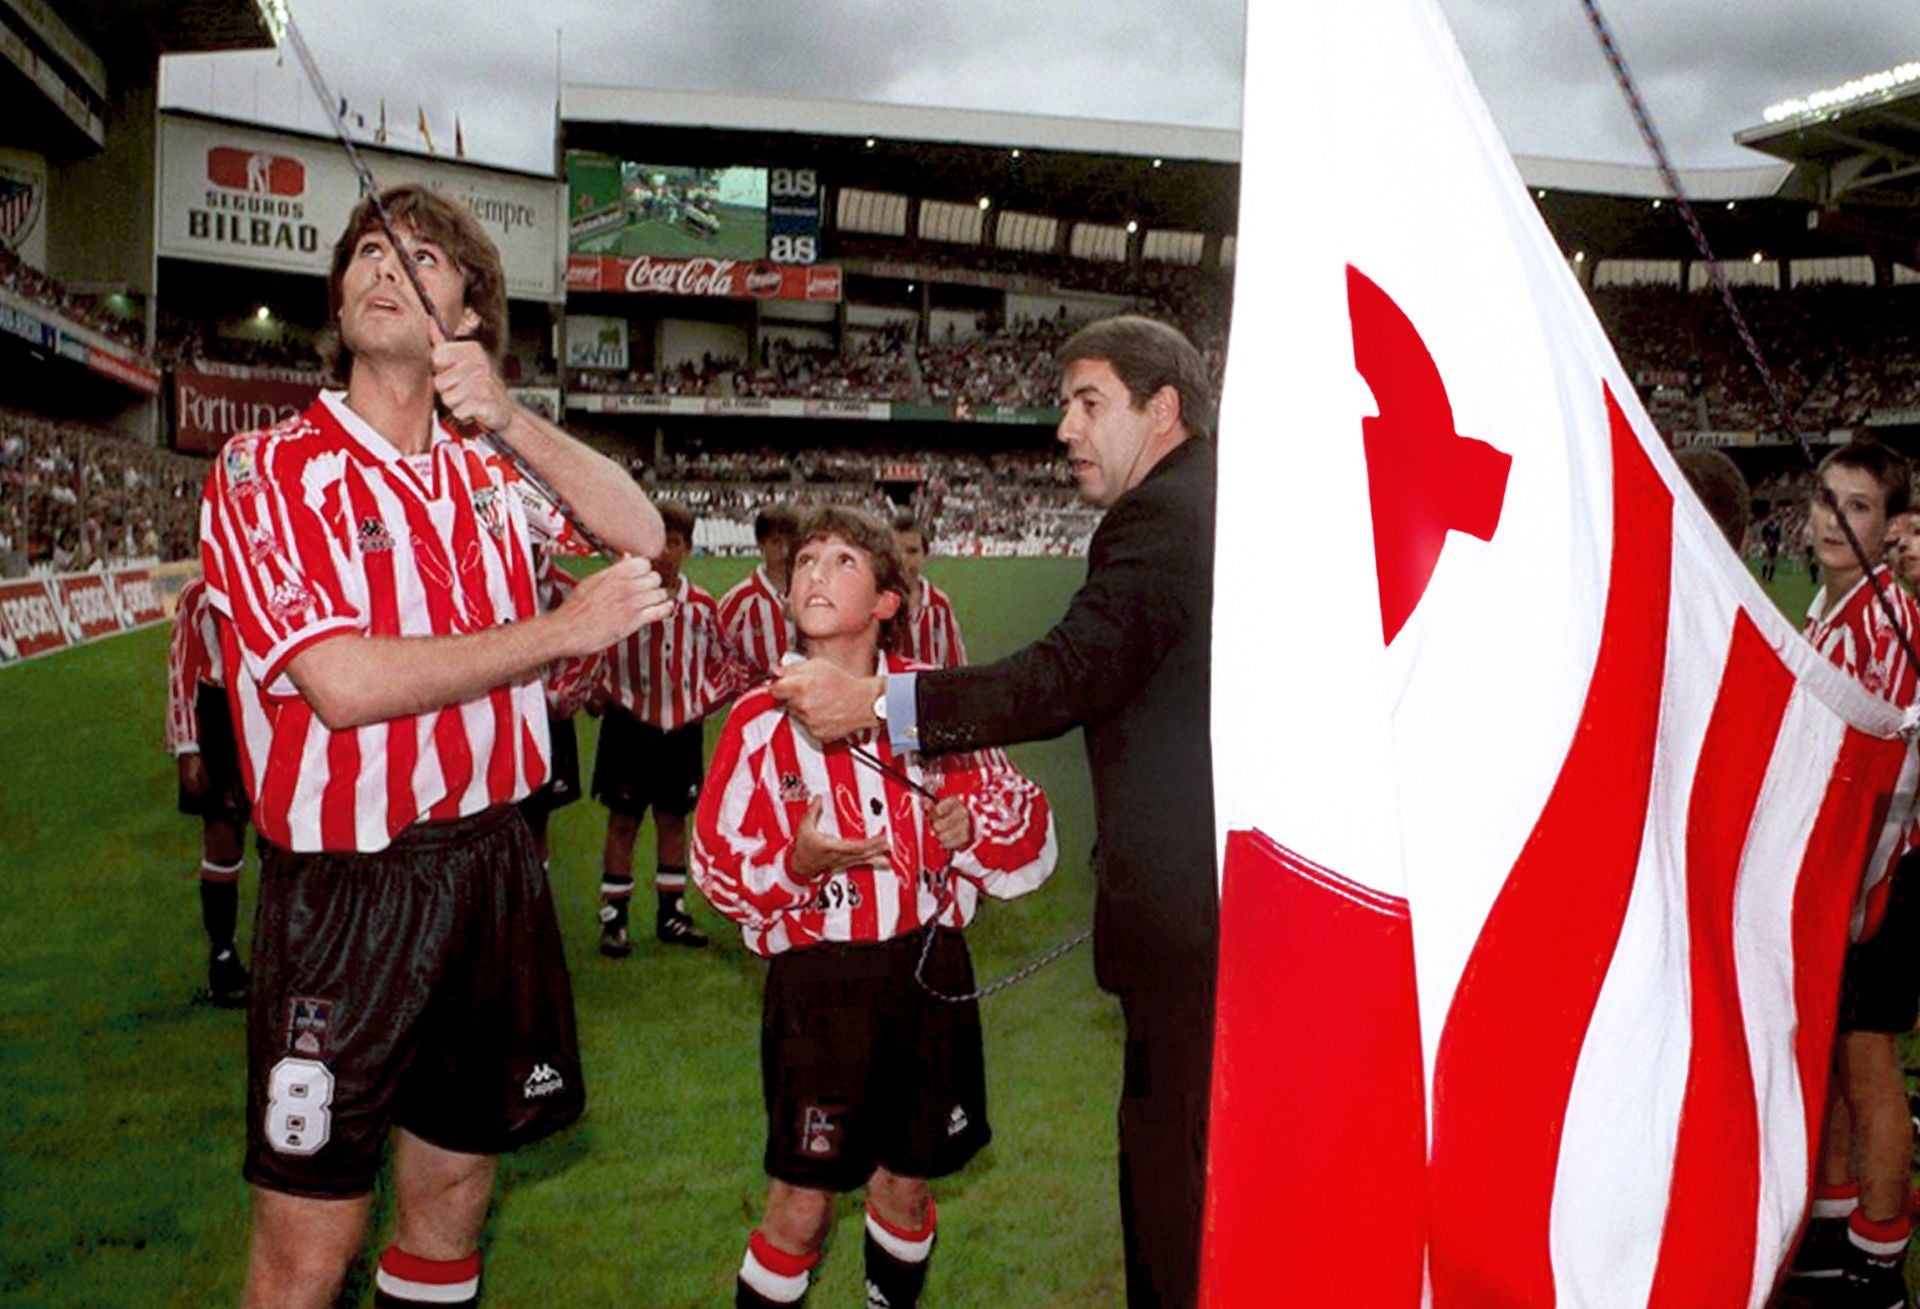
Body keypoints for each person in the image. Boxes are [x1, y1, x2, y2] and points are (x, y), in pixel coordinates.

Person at [198, 184, 671, 1309]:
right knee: (308, 1248)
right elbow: (343, 685)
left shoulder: (492, 470)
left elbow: (642, 532)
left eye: (419, 255)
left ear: (469, 308)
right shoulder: (270, 469)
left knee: (455, 1193)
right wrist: (559, 632)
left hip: (495, 871)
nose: (382, 266)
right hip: (348, 892)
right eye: (367, 249)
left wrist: (506, 415)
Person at [774, 315, 1218, 1308]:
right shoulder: (1222, 503)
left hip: (1196, 918)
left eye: (1088, 402)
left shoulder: (1162, 517)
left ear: (1163, 408)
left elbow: (1066, 677)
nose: (1063, 426)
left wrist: (883, 704)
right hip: (1236, 901)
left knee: (1173, 1174)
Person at [693, 506, 1056, 1309]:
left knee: (904, 1187)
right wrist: (797, 862)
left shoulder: (936, 705)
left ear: (888, 601)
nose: (815, 572)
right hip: (819, 987)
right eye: (806, 561)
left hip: (928, 973)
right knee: (799, 1204)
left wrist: (967, 832)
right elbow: (715, 869)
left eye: (843, 561)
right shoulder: (758, 722)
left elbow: (1030, 838)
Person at [1786, 441, 1920, 1308]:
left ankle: (1878, 1268)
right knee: (1833, 1061)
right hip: (1840, 876)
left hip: (1883, 878)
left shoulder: (1888, 621)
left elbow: (1891, 778)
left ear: (1893, 524)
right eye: (1828, 501)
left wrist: (1859, 897)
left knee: (1869, 1069)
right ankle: (1834, 1238)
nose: (1838, 520)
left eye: (1860, 506)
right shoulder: (1825, 613)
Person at [589, 498, 744, 955]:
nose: (663, 552)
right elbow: (597, 655)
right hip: (628, 725)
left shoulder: (701, 607)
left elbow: (720, 663)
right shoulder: (623, 602)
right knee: (623, 823)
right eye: (654, 543)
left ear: (687, 548)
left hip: (680, 730)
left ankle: (671, 915)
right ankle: (614, 920)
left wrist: (702, 703)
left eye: (672, 542)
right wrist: (599, 695)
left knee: (673, 821)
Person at [165, 571, 251, 1007]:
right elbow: (180, 670)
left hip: (266, 707)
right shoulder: (199, 594)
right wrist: (186, 745)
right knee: (223, 839)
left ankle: (289, 956)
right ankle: (223, 957)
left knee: (288, 836)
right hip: (218, 713)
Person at [516, 552, 605, 868]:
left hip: (547, 721)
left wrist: (563, 694)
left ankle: (535, 900)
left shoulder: (565, 589)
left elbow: (589, 649)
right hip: (495, 718)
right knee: (491, 819)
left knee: (538, 817)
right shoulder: (485, 575)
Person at [718, 503, 799, 676]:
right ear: (761, 545)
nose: (785, 550)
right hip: (757, 698)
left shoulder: (810, 596)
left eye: (791, 542)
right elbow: (714, 653)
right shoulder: (740, 599)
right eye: (776, 542)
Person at [889, 510, 968, 668]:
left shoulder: (939, 604)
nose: (903, 559)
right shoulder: (877, 604)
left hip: (931, 691)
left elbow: (955, 662)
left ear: (925, 555)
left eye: (912, 551)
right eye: (896, 551)